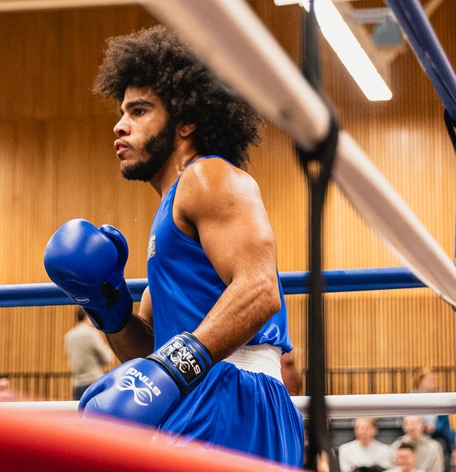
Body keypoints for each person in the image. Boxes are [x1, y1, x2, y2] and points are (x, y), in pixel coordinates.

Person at [43, 25, 303, 465]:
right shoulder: (169, 212)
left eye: (139, 111)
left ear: (186, 119)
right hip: (200, 391)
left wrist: (174, 367)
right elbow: (149, 353)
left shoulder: (208, 178)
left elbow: (260, 291)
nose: (119, 125)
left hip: (230, 395)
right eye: (123, 111)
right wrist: (107, 307)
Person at [64, 306, 115, 400]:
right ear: (87, 316)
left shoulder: (69, 335)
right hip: (93, 382)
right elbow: (107, 358)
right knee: (95, 414)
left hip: (77, 384)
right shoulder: (90, 333)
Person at [412, 369, 455, 470]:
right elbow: (410, 416)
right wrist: (422, 425)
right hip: (418, 430)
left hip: (437, 433)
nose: (434, 382)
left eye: (434, 380)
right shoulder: (413, 397)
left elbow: (444, 420)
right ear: (421, 382)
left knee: (447, 438)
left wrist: (434, 428)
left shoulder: (441, 397)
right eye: (430, 380)